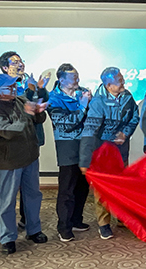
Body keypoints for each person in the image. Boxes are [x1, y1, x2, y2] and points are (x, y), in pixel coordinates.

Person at [0, 74, 48, 255]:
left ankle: (33, 230)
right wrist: (28, 113)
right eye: (9, 86)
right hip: (9, 162)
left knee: (33, 195)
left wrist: (38, 111)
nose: (14, 88)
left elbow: (39, 120)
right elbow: (10, 132)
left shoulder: (21, 100)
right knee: (8, 201)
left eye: (14, 85)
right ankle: (8, 238)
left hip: (30, 157)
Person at [80, 67, 140, 240]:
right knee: (102, 190)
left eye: (122, 78)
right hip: (102, 153)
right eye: (119, 80)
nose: (123, 82)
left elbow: (134, 117)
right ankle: (104, 224)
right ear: (108, 85)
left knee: (122, 186)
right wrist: (84, 160)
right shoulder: (98, 102)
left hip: (121, 152)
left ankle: (121, 218)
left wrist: (124, 134)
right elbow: (89, 131)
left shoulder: (127, 96)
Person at [0, 51, 50, 230]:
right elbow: (16, 110)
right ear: (5, 67)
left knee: (31, 187)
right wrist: (30, 91)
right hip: (13, 144)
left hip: (32, 140)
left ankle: (28, 221)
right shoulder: (3, 86)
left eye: (21, 61)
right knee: (11, 190)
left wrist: (39, 89)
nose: (20, 65)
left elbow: (40, 105)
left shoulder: (28, 82)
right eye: (15, 62)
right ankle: (9, 232)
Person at [47, 64, 92, 242]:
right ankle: (64, 226)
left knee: (82, 187)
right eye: (73, 78)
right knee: (67, 189)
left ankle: (76, 220)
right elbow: (65, 124)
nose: (77, 80)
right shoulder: (53, 98)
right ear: (61, 80)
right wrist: (83, 106)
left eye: (78, 76)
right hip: (67, 147)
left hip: (85, 146)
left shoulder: (83, 92)